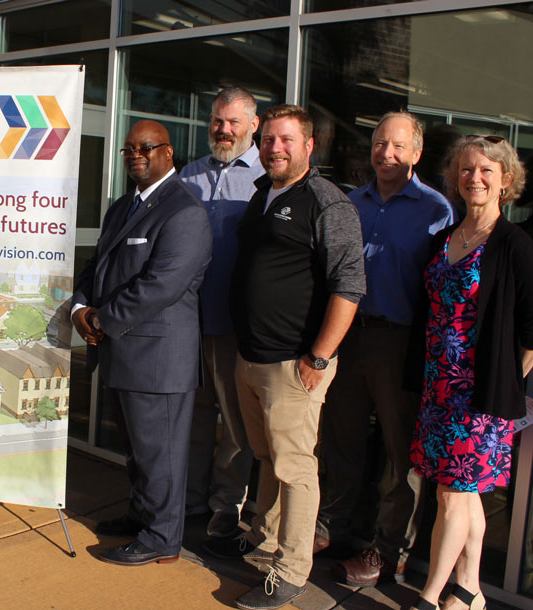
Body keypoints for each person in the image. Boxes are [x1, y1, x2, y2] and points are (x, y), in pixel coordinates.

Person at [207, 104, 365, 610]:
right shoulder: (262, 193)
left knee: (296, 468)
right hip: (251, 357)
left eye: (285, 140)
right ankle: (267, 538)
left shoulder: (327, 202)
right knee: (266, 456)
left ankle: (292, 570)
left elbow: (349, 286)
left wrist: (318, 358)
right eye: (269, 139)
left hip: (294, 363)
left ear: (309, 145)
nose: (274, 148)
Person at [318, 112, 456, 586]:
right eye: (379, 144)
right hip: (349, 337)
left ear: (417, 153)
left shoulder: (437, 211)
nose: (387, 154)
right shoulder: (351, 204)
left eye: (398, 146)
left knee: (402, 455)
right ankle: (332, 528)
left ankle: (387, 551)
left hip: (401, 344)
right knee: (341, 440)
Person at [73, 120, 212, 566]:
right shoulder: (122, 207)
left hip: (158, 357)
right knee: (136, 450)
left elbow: (161, 285)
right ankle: (141, 515)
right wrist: (80, 308)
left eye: (146, 148)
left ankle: (161, 539)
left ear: (168, 154)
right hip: (122, 351)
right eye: (128, 149)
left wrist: (101, 318)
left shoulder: (184, 211)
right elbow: (96, 266)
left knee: (161, 453)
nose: (135, 155)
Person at [406, 135, 532, 610]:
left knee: (451, 496)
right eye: (465, 169)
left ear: (505, 181)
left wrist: (506, 383)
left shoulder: (515, 245)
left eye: (485, 171)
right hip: (438, 387)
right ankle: (469, 591)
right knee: (464, 494)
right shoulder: (445, 238)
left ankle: (431, 594)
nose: (474, 178)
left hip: (480, 394)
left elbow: (532, 327)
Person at [180, 86, 264, 538]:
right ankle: (190, 499)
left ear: (254, 124)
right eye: (217, 120)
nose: (223, 129)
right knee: (193, 414)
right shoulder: (188, 176)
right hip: (190, 321)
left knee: (235, 423)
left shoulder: (267, 179)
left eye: (233, 122)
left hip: (236, 324)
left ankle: (225, 505)